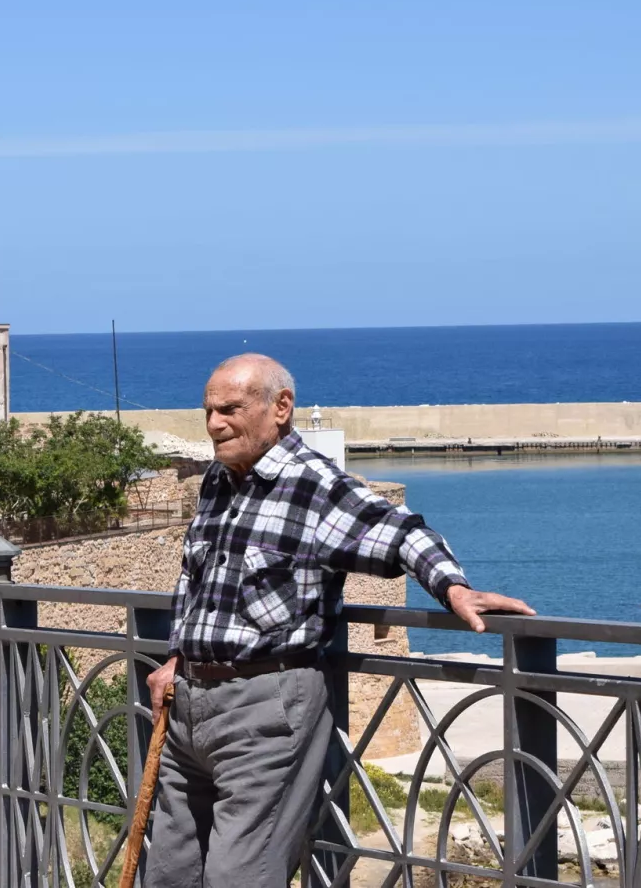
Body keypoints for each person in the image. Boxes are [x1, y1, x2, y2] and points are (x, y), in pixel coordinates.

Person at [143, 353, 533, 887]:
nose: (214, 424)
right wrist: (176, 657)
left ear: (280, 408)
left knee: (240, 875)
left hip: (265, 706)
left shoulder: (315, 486)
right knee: (168, 870)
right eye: (209, 410)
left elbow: (402, 533)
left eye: (229, 409)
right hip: (187, 703)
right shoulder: (217, 480)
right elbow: (199, 582)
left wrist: (454, 588)